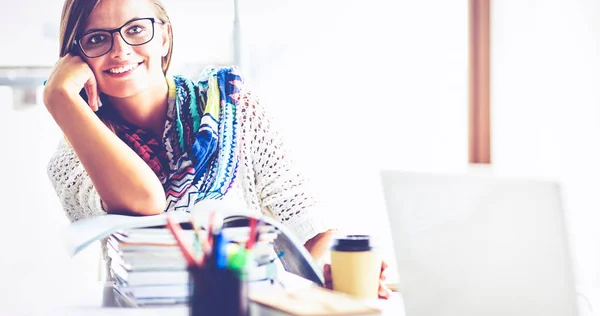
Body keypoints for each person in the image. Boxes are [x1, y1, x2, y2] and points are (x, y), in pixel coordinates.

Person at [44, 0, 390, 299]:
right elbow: (146, 203)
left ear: (164, 37)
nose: (120, 50)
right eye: (97, 38)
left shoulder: (233, 108)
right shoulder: (70, 160)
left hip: (249, 309)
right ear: (76, 57)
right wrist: (59, 99)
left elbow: (311, 223)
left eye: (135, 29)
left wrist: (330, 273)